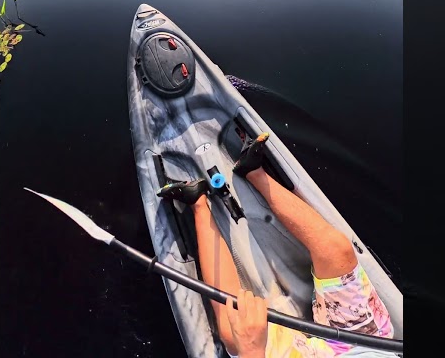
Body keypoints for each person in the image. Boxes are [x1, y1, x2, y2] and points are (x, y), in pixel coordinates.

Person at [157, 133, 395, 358]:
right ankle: (252, 170)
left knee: (234, 330)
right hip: (366, 345)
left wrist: (252, 350)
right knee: (337, 250)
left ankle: (196, 201)